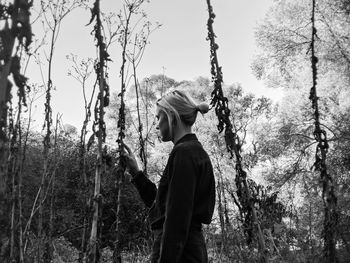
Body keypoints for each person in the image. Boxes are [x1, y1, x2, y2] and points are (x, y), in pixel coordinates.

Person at [122, 89, 215, 263]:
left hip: (183, 256)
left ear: (171, 116)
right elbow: (163, 208)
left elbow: (177, 222)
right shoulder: (189, 151)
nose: (156, 125)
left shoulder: (185, 153)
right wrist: (136, 173)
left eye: (158, 117)